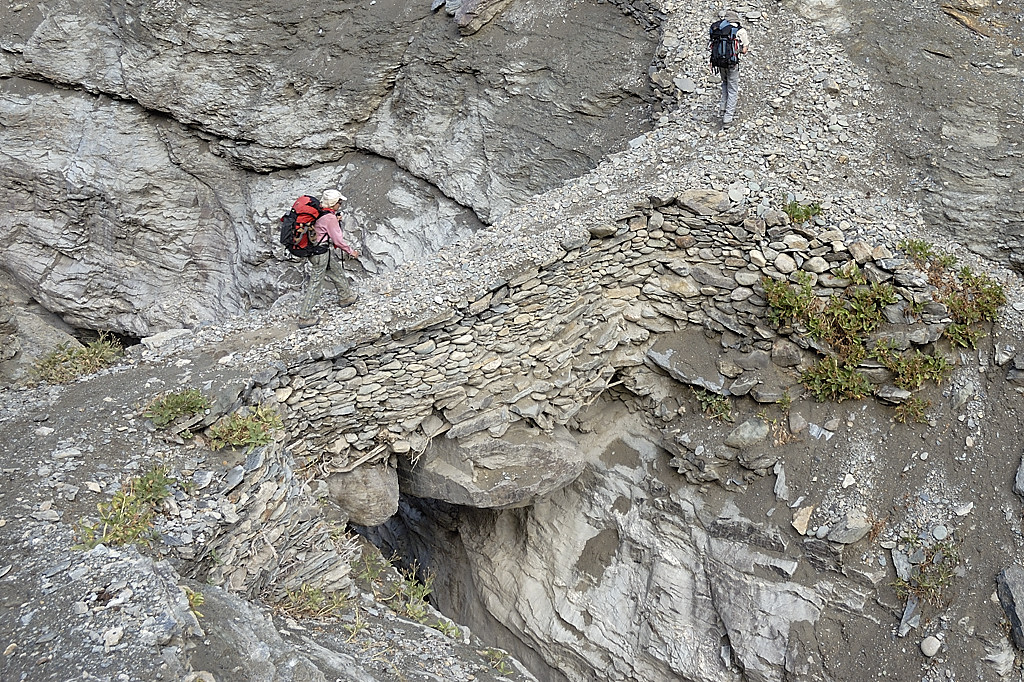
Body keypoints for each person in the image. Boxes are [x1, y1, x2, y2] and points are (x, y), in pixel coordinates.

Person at [297, 189, 361, 328]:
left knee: (336, 271)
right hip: (320, 254)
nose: (340, 205)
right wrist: (351, 252)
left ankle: (346, 297)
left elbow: (321, 226)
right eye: (339, 202)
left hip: (317, 252)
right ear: (333, 203)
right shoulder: (329, 217)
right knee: (316, 284)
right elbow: (338, 241)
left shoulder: (321, 211)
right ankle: (304, 317)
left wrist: (334, 220)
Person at [712, 10, 750, 127]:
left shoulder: (718, 28)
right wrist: (736, 52)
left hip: (719, 63)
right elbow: (744, 50)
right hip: (732, 63)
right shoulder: (740, 30)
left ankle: (722, 109)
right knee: (733, 89)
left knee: (724, 84)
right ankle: (727, 119)